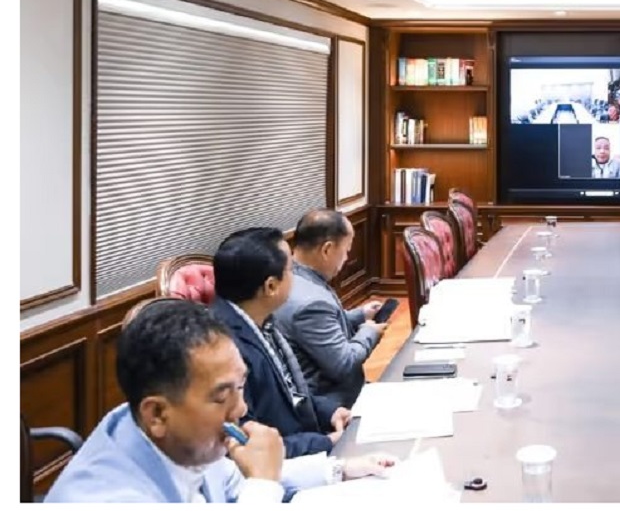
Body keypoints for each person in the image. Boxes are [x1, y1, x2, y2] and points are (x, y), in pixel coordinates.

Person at [45, 299, 395, 502]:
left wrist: (339, 469)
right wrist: (263, 485)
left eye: (241, 386)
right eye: (222, 396)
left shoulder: (185, 438)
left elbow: (233, 480)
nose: (241, 409)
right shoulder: (106, 501)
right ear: (157, 414)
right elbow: (255, 483)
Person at [210, 227, 351, 458]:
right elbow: (246, 443)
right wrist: (325, 442)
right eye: (291, 269)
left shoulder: (259, 318)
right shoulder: (226, 349)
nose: (295, 277)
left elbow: (289, 391)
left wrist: (329, 412)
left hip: (303, 437)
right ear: (271, 287)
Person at [275, 209, 385, 408]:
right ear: (327, 250)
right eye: (346, 250)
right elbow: (344, 364)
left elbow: (323, 325)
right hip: (332, 404)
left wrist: (361, 315)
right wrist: (369, 332)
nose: (347, 258)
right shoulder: (311, 302)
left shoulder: (292, 276)